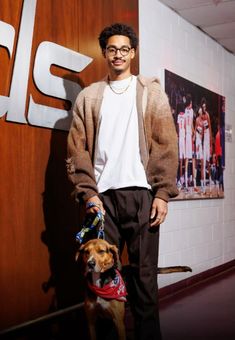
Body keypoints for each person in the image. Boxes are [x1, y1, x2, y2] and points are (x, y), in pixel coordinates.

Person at [66, 22, 179, 340]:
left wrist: (162, 194)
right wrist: (88, 192)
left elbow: (166, 143)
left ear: (133, 52)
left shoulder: (150, 92)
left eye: (124, 49)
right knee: (101, 280)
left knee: (144, 279)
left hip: (142, 196)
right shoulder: (89, 97)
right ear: (105, 52)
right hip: (103, 200)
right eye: (112, 49)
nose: (118, 54)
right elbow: (77, 148)